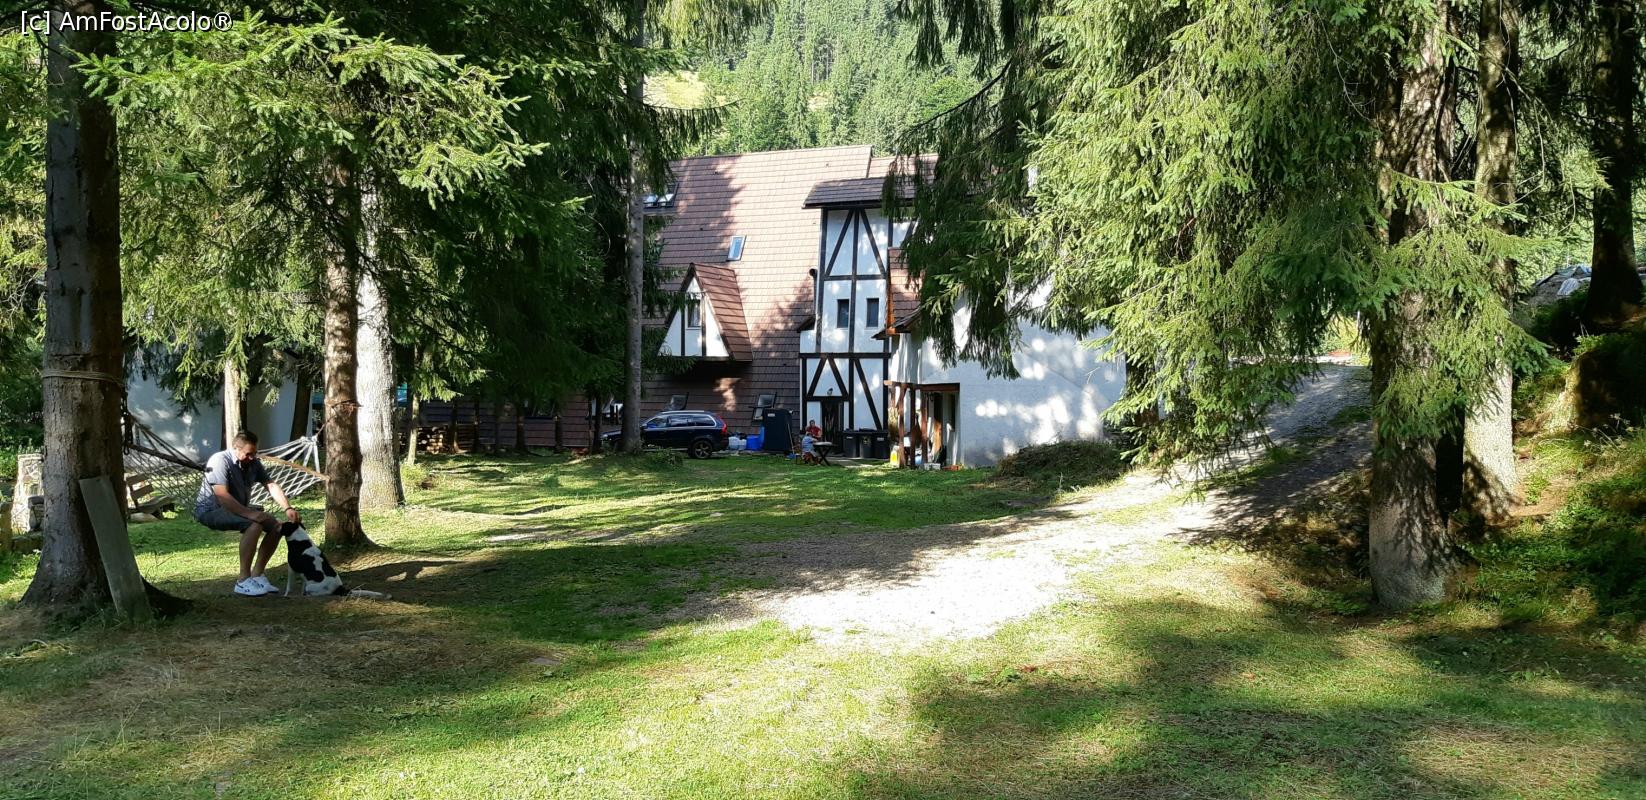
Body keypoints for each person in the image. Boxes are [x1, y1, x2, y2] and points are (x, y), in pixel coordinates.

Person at [194, 431, 303, 596]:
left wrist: (288, 508)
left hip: (236, 508)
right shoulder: (219, 460)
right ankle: (243, 581)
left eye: (255, 453)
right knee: (254, 524)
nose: (252, 457)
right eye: (248, 454)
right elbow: (222, 496)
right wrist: (251, 514)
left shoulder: (253, 463)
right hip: (211, 510)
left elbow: (271, 485)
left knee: (277, 527)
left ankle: (257, 575)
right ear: (236, 448)